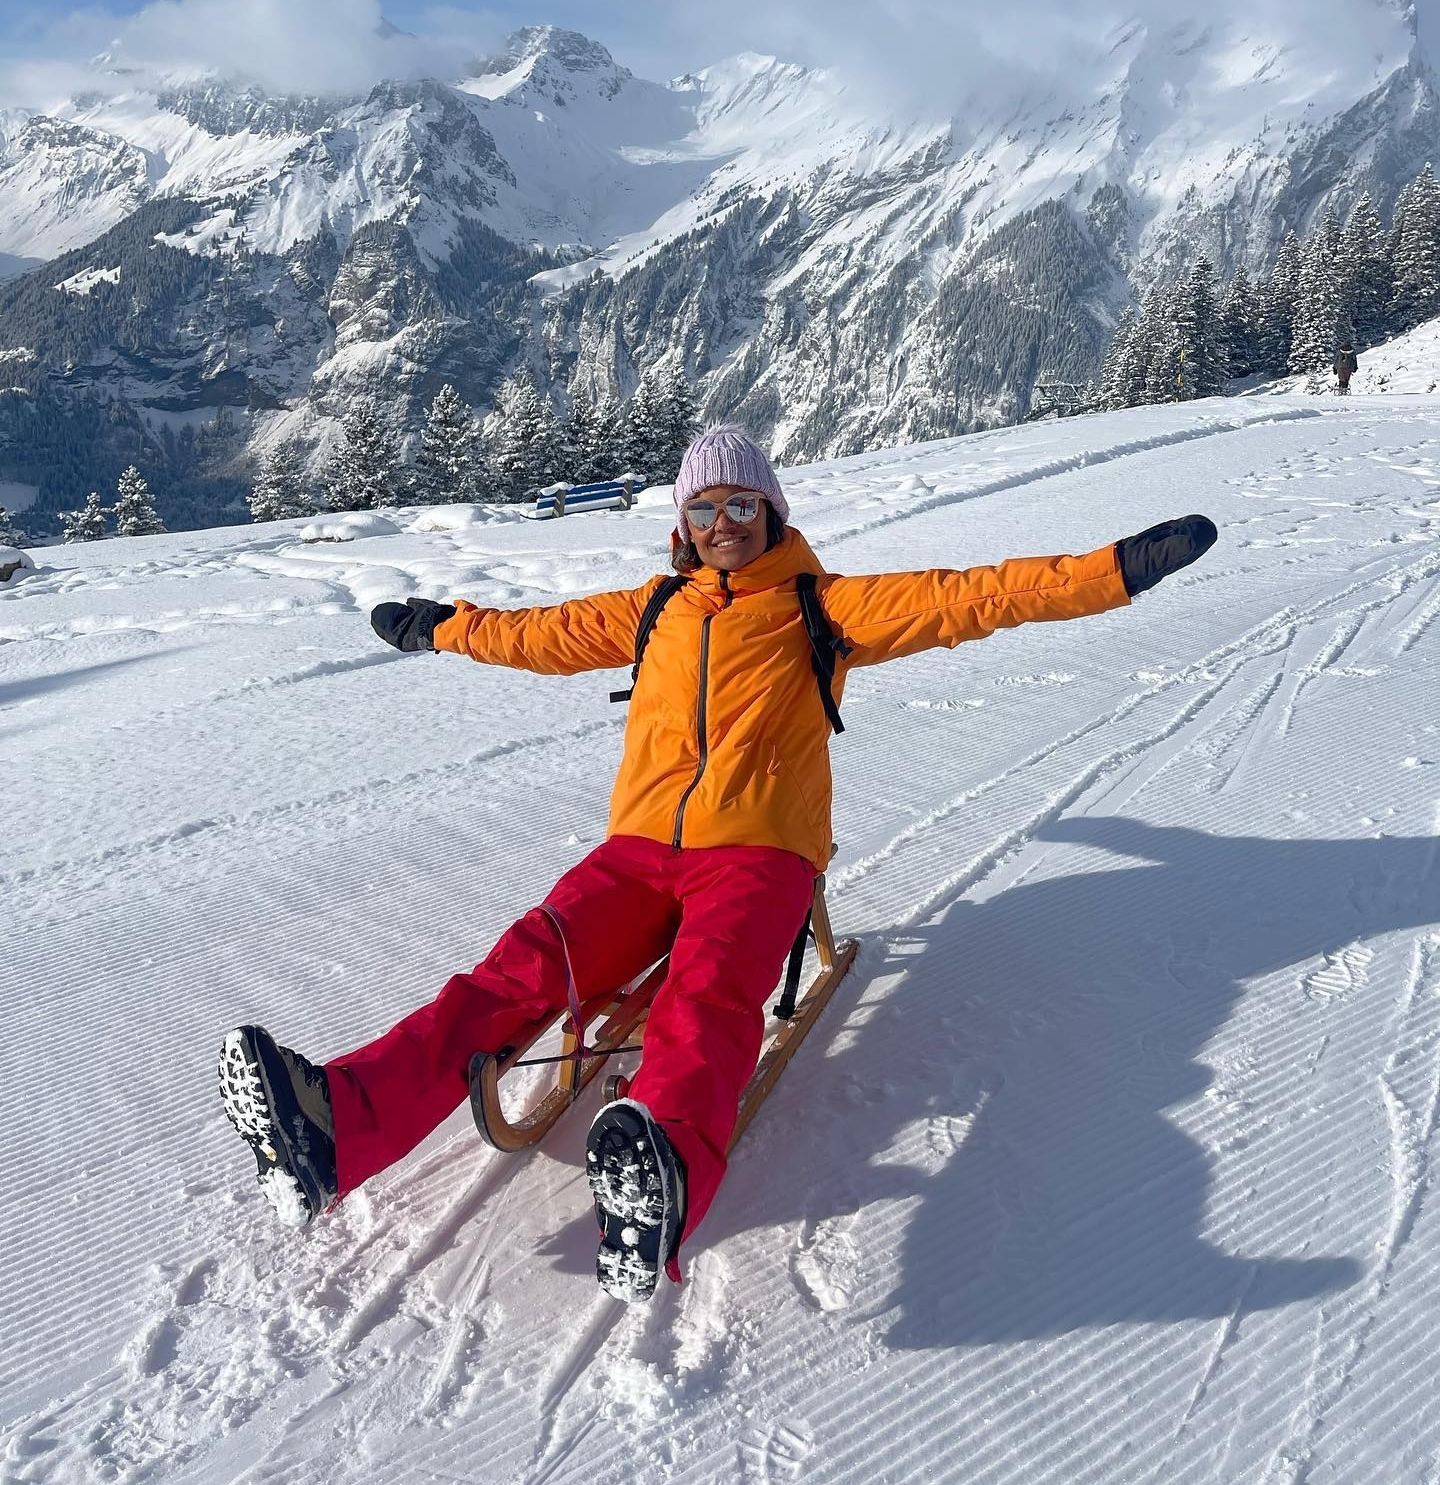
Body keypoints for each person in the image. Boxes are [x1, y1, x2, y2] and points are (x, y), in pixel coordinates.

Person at [219, 423, 1218, 1303]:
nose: (724, 522)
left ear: (773, 510)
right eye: (705, 507)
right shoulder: (654, 610)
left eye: (743, 503)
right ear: (682, 521)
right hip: (637, 854)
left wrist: (1115, 570)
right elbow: (537, 632)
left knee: (709, 998)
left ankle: (666, 1172)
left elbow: (977, 596)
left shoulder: (823, 607)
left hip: (760, 858)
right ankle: (336, 1126)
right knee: (518, 972)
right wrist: (444, 626)